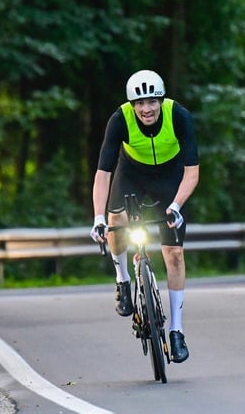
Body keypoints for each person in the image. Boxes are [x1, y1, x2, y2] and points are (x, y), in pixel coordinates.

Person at [90, 69, 199, 363]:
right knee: (116, 222)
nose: (146, 109)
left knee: (174, 254)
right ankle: (123, 279)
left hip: (170, 178)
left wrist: (176, 205)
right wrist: (98, 217)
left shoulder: (179, 116)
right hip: (132, 175)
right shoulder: (119, 119)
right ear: (132, 105)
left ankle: (176, 331)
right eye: (140, 103)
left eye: (151, 101)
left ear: (161, 100)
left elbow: (192, 172)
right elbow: (103, 174)